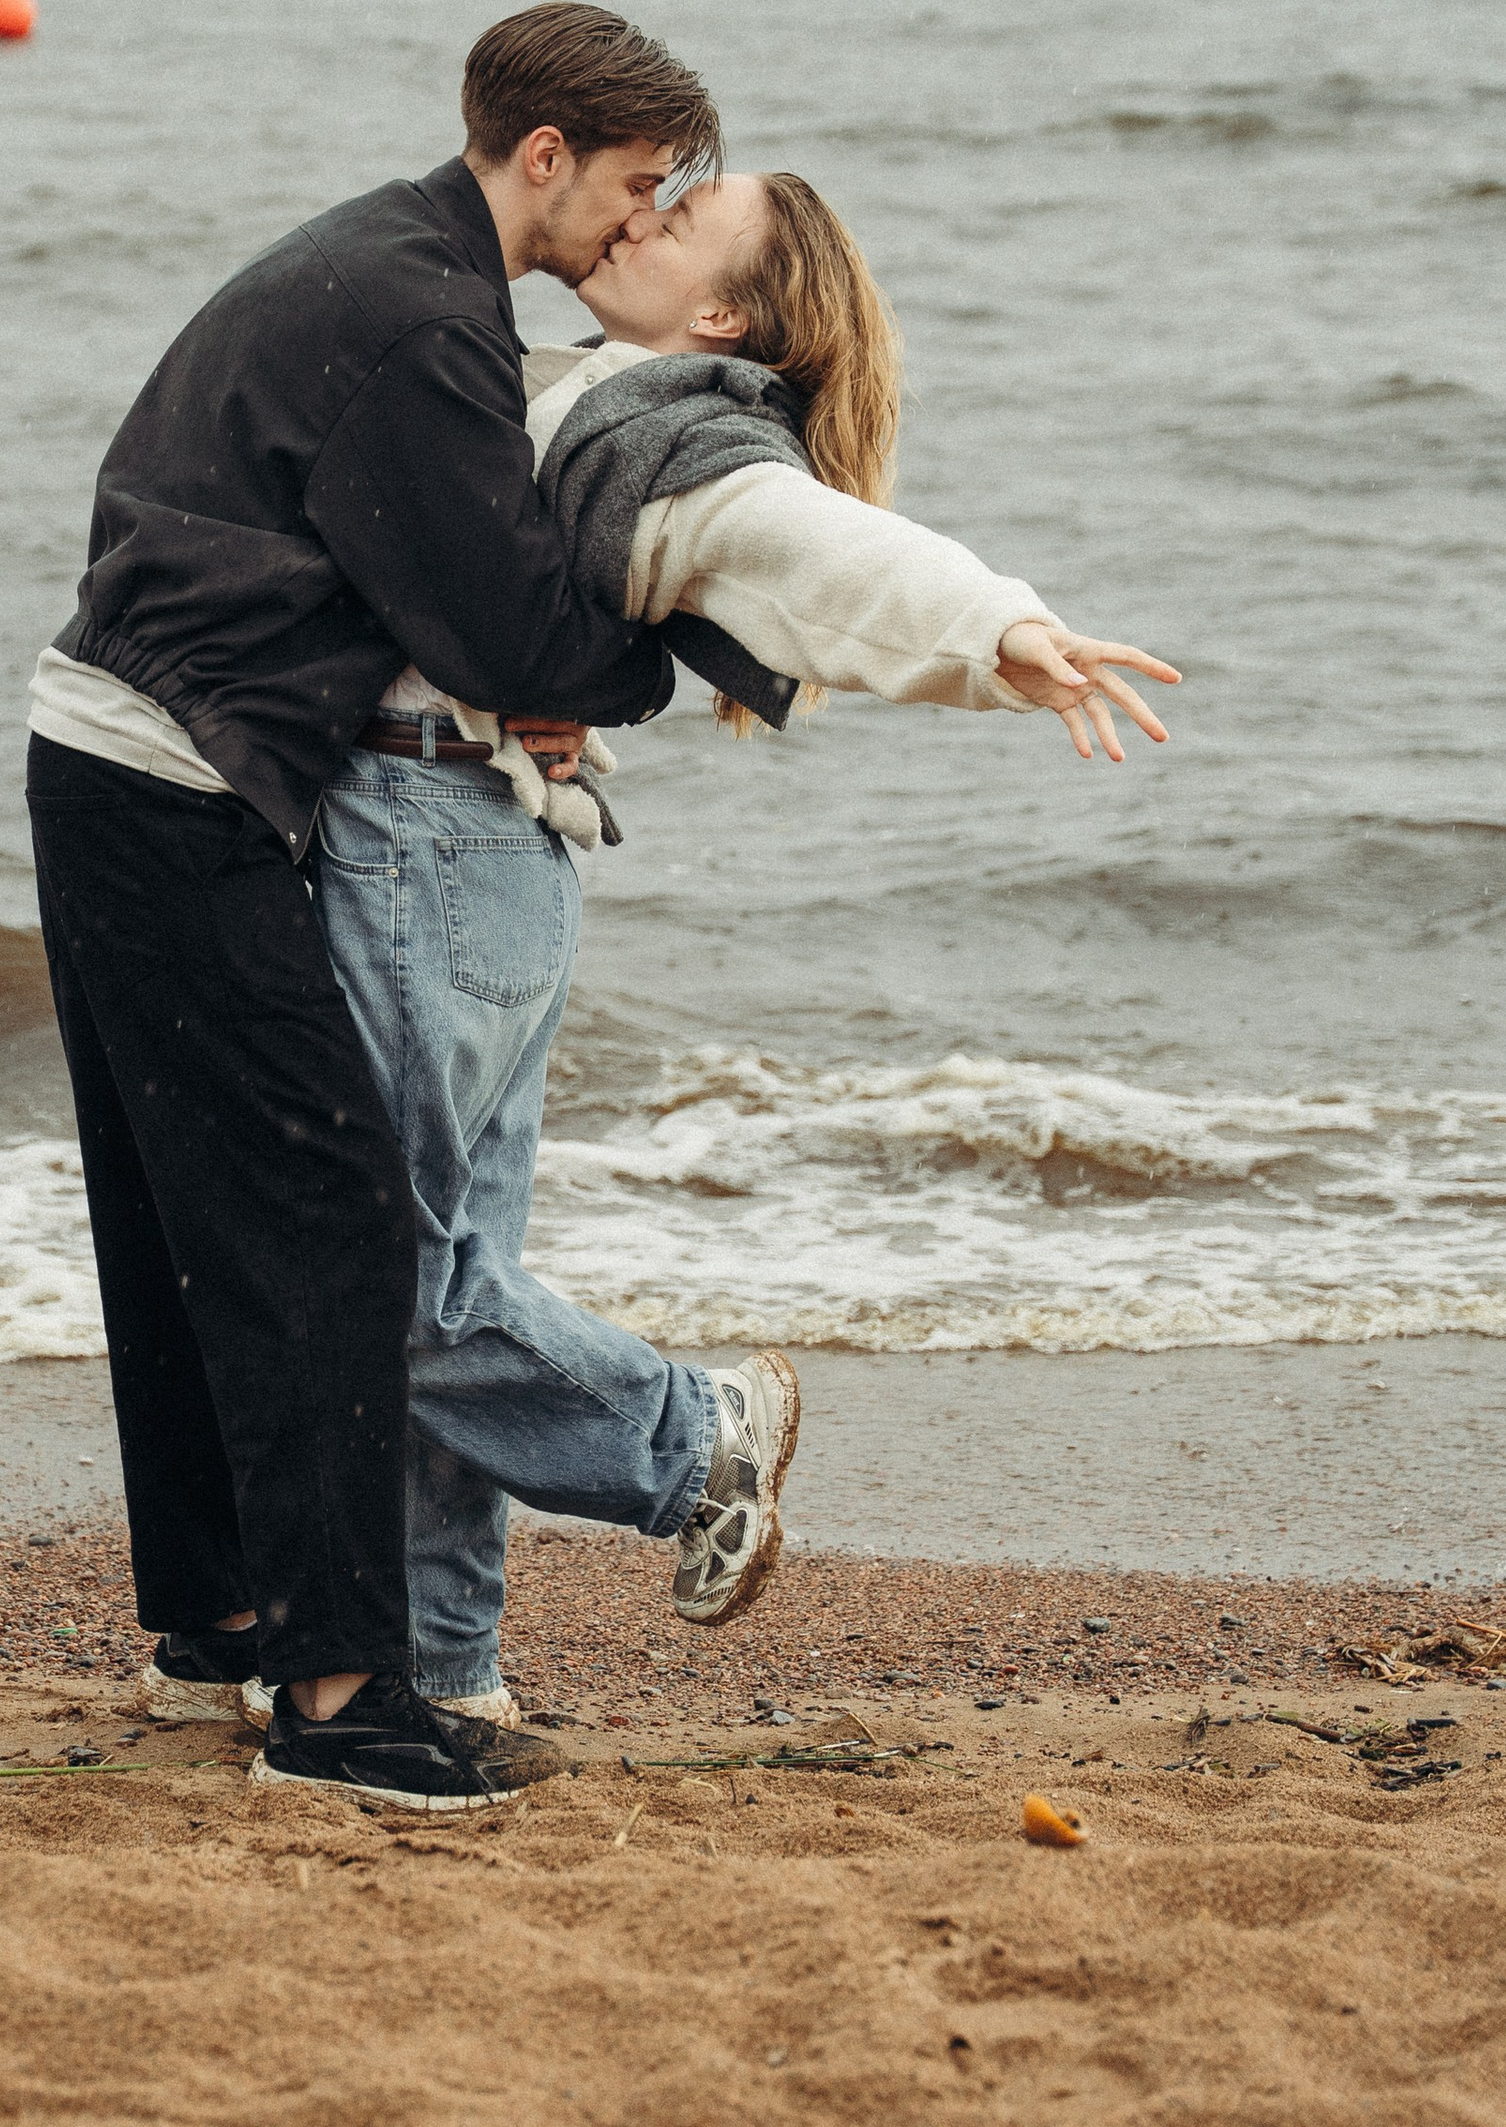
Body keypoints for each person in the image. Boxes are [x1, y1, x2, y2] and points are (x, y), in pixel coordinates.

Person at [309, 164, 1179, 1716]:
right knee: (455, 1276)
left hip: (440, 850)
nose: (644, 212)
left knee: (382, 1276)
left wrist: (997, 627)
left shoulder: (684, 433)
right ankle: (445, 1671)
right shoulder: (585, 385)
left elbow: (822, 546)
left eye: (686, 210)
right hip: (491, 853)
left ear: (723, 310)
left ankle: (691, 1436)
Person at [24, 3, 726, 1809]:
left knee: (195, 1212)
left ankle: (228, 1627)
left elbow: (427, 583)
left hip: (116, 747)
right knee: (328, 1219)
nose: (637, 230)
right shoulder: (431, 315)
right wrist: (650, 664)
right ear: (543, 156)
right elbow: (497, 617)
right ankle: (340, 1704)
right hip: (172, 777)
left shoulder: (382, 254)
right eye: (636, 189)